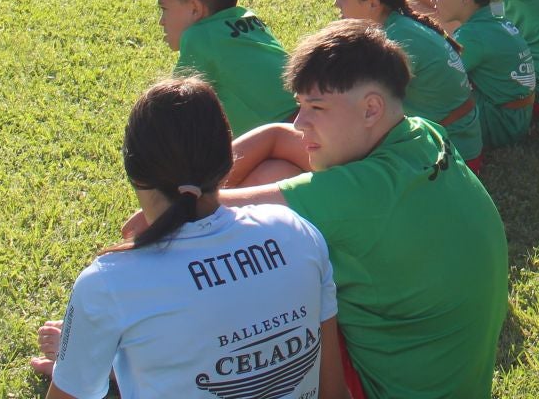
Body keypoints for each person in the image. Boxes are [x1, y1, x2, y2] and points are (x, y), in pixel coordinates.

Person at [211, 21, 509, 399]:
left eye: (316, 107)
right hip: (448, 379)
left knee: (268, 252)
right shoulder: (422, 133)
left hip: (381, 390)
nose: (300, 123)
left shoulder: (363, 194)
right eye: (300, 106)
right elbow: (277, 137)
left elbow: (205, 214)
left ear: (371, 109)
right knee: (275, 173)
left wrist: (170, 211)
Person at [28, 77, 344, 398]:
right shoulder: (296, 232)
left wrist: (82, 367)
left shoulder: (110, 281)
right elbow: (333, 391)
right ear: (226, 162)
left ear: (133, 171)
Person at [330, 0, 483, 170]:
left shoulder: (397, 41)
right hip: (455, 143)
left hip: (452, 156)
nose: (336, 4)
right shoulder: (397, 25)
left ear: (373, 3)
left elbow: (360, 101)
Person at [148, 0, 297, 138]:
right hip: (312, 120)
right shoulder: (247, 19)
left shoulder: (199, 36)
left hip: (286, 137)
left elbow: (170, 110)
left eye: (164, 9)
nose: (161, 21)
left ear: (195, 9)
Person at [432, 0, 537, 152]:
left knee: (431, 92)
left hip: (501, 124)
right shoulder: (495, 18)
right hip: (518, 117)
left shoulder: (472, 35)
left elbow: (439, 78)